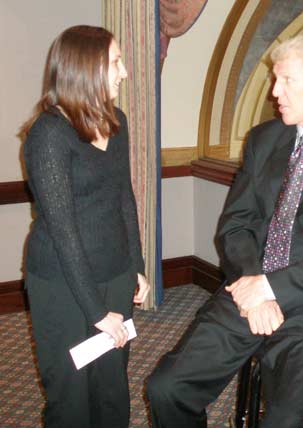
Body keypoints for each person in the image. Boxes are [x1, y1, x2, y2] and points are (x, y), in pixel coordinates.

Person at [147, 35, 303, 427]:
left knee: (284, 418)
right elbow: (236, 224)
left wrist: (270, 288)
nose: (274, 92)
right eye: (275, 80)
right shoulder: (264, 140)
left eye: (286, 80)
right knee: (166, 387)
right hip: (249, 289)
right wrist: (253, 289)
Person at [21, 25, 150, 428]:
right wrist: (97, 311)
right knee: (71, 400)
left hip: (113, 273)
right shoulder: (49, 134)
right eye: (115, 62)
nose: (124, 72)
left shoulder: (118, 121)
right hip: (61, 285)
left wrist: (137, 266)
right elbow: (63, 231)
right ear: (85, 68)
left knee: (112, 391)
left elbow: (124, 199)